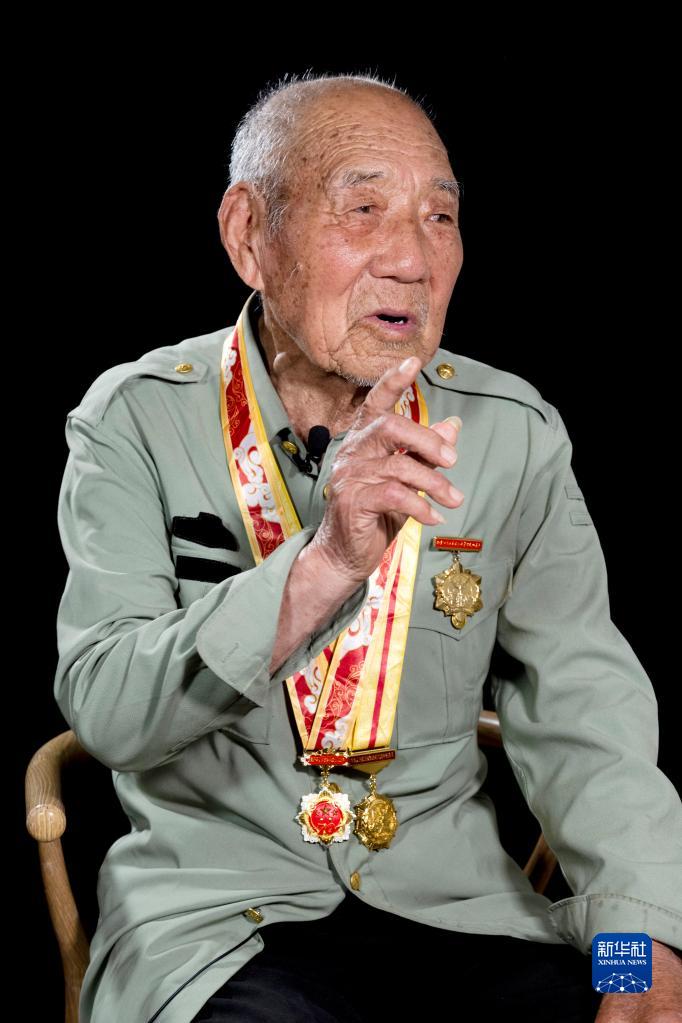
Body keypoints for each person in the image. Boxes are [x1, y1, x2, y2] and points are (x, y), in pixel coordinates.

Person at [53, 72, 682, 1023]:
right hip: (220, 925)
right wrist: (325, 564)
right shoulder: (136, 418)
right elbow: (107, 711)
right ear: (249, 235)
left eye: (440, 217)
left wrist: (641, 954)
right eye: (363, 209)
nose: (412, 260)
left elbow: (587, 715)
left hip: (461, 914)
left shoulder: (512, 431)